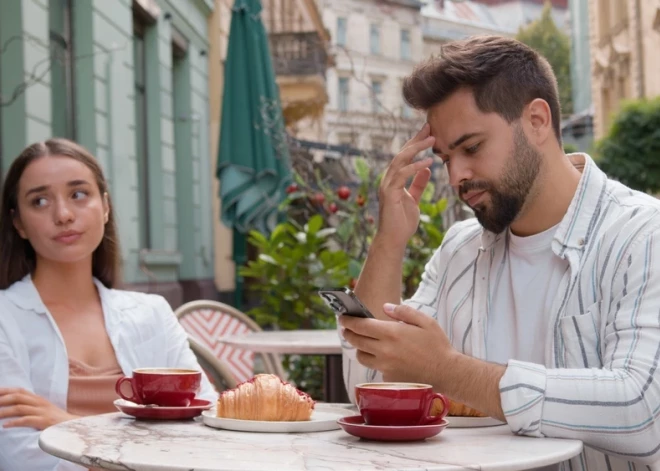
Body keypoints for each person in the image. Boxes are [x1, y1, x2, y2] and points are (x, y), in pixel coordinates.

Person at [339, 35, 660, 470]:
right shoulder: (460, 249)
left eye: (471, 148)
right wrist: (389, 241)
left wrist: (448, 370)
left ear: (536, 120)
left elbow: (643, 413)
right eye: (445, 157)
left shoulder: (641, 235)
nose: (457, 176)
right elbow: (371, 385)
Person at [0, 139, 217, 470]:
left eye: (78, 194)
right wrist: (147, 450)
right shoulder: (5, 318)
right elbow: (25, 460)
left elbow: (207, 429)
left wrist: (68, 424)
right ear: (18, 224)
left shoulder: (152, 314)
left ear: (105, 206)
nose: (63, 214)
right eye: (40, 201)